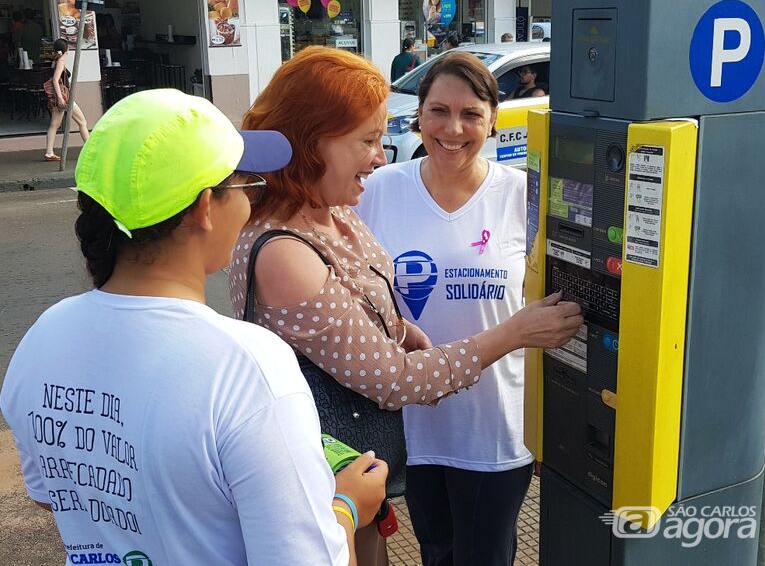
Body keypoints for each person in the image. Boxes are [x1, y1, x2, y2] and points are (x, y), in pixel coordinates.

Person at [0, 89, 387, 566]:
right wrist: (347, 507)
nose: (252, 204)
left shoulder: (42, 338)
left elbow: (48, 492)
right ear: (205, 207)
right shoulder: (248, 366)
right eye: (248, 187)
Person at [228, 46, 582, 565]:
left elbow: (366, 284)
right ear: (311, 142)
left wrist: (396, 324)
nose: (380, 155)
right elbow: (395, 379)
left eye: (471, 114)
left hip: (422, 448)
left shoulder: (336, 208)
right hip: (335, 473)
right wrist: (513, 333)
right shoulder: (287, 248)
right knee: (437, 549)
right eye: (368, 140)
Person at [355, 51, 542, 565]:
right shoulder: (378, 189)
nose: (452, 128)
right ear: (419, 114)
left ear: (494, 120)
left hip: (496, 431)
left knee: (484, 557)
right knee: (436, 551)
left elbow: (547, 310)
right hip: (412, 430)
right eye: (438, 111)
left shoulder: (523, 196)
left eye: (471, 115)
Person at [43, 39, 89, 162]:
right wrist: (59, 97)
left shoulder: (55, 60)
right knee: (82, 122)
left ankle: (49, 152)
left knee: (54, 125)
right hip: (65, 98)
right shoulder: (60, 62)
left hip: (61, 98)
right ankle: (89, 148)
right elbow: (55, 80)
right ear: (66, 49)